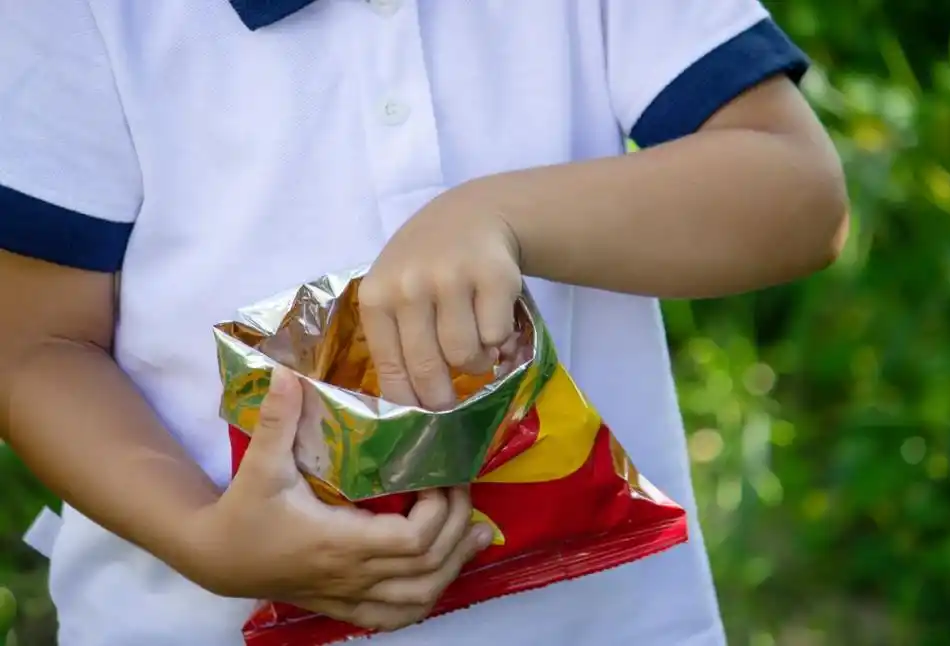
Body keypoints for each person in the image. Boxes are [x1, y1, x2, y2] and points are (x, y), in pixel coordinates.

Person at [0, 1, 848, 645]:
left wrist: (498, 216)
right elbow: (34, 346)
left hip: (599, 620)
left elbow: (797, 195)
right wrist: (203, 540)